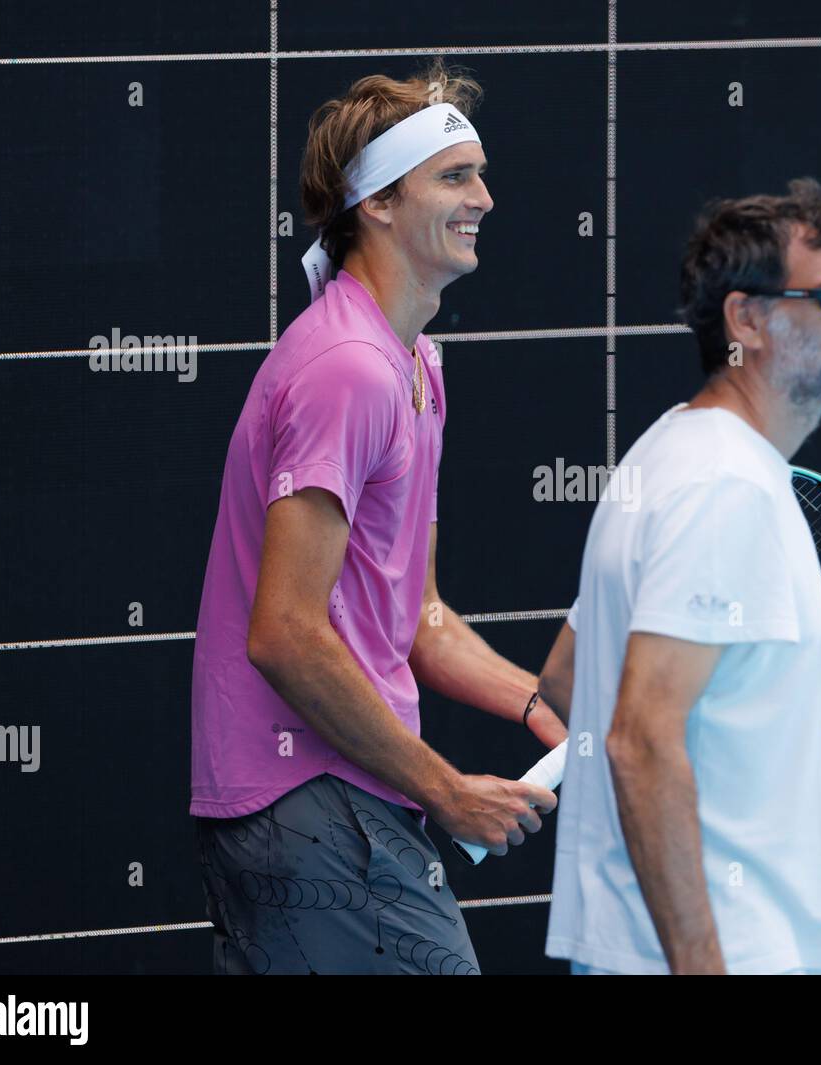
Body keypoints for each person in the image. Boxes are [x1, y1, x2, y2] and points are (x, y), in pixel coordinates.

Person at [190, 60, 564, 975]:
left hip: (339, 795)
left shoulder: (413, 365)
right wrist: (446, 788)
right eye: (454, 176)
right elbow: (282, 632)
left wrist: (538, 703)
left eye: (478, 172)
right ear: (379, 204)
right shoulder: (348, 368)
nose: (484, 196)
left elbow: (417, 617)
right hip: (306, 797)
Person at [541, 177, 821, 974]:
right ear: (747, 319)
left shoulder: (673, 452)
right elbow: (640, 738)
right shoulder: (725, 487)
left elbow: (567, 676)